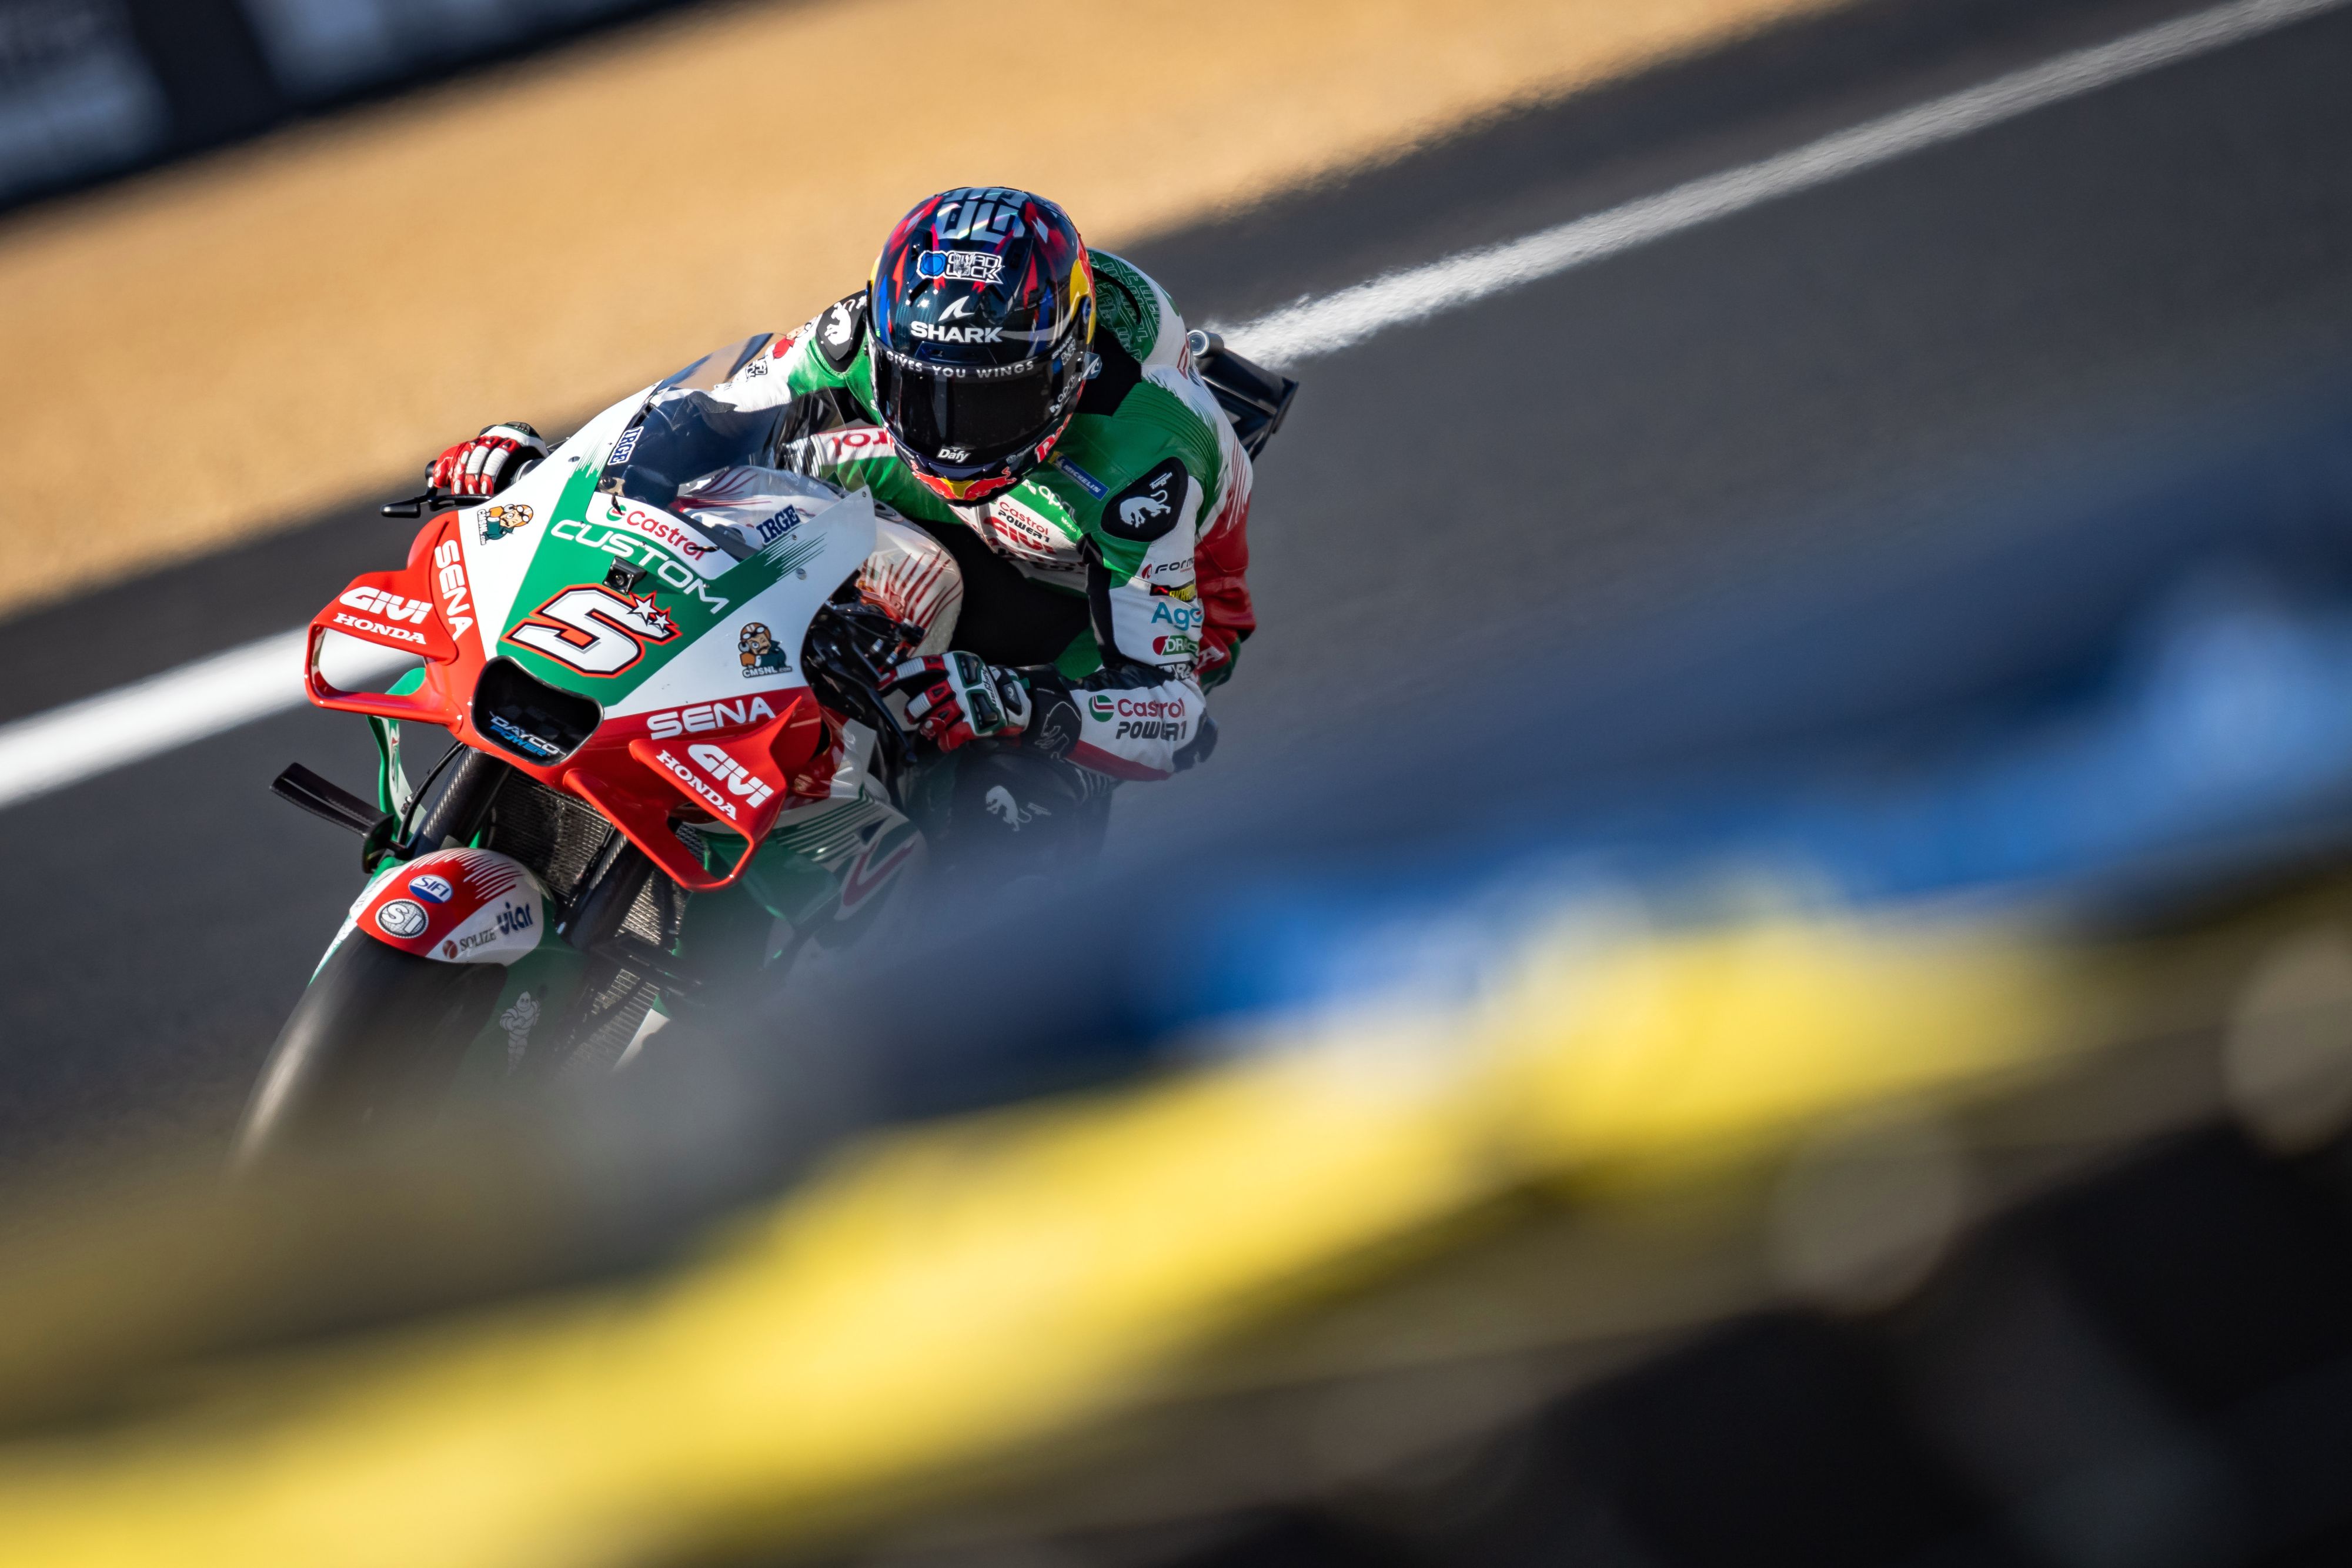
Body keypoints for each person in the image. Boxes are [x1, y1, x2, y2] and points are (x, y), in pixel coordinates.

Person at [429, 186, 1255, 865]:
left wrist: (1023, 703)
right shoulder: (860, 332)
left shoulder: (1147, 459)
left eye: (989, 399)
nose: (952, 433)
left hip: (1080, 602)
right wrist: (550, 469)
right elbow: (695, 414)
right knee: (715, 510)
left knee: (1002, 827)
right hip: (907, 501)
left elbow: (1177, 715)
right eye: (922, 390)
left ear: (1066, 369)